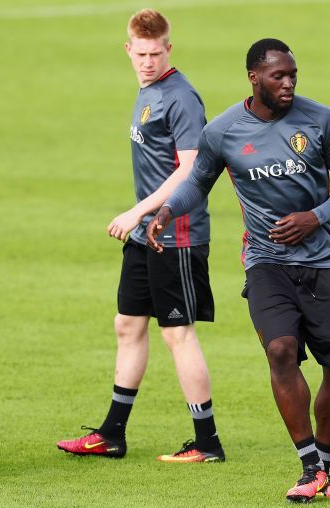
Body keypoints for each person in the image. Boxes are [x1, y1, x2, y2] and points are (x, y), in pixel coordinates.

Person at [147, 38, 330, 501]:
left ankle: (325, 469)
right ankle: (309, 470)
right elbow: (197, 183)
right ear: (253, 76)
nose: (287, 84)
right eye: (277, 76)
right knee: (282, 350)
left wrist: (315, 216)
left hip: (327, 260)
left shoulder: (321, 120)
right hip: (266, 261)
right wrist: (168, 210)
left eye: (292, 75)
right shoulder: (224, 131)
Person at [57, 9, 225, 463]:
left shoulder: (181, 97)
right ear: (128, 50)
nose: (148, 61)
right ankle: (111, 435)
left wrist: (137, 211)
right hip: (145, 234)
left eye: (156, 52)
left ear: (169, 48)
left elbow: (191, 170)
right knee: (127, 324)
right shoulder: (148, 90)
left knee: (177, 333)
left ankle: (207, 443)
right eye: (141, 53)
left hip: (175, 232)